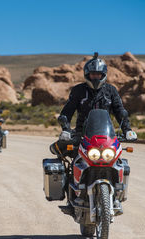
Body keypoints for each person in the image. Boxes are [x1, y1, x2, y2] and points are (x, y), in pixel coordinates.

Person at [56, 52, 137, 214]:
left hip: (105, 135)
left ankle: (117, 195)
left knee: (118, 162)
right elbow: (67, 112)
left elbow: (120, 111)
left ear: (104, 75)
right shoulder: (78, 90)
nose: (95, 77)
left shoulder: (111, 91)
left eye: (98, 74)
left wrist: (127, 130)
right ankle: (72, 197)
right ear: (87, 74)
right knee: (70, 161)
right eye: (92, 74)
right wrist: (66, 129)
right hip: (82, 134)